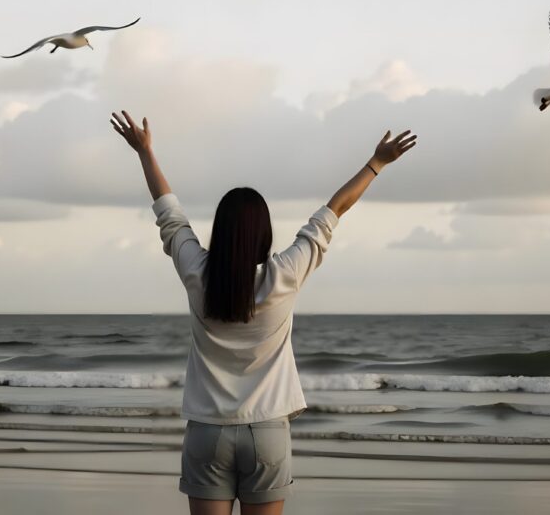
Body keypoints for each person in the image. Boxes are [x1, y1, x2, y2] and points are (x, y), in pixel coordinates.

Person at [110, 110, 416, 515]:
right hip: (268, 432)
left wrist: (145, 152)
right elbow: (332, 211)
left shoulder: (197, 273)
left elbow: (168, 213)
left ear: (220, 230)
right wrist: (376, 163)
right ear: (264, 231)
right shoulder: (284, 274)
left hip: (206, 431)